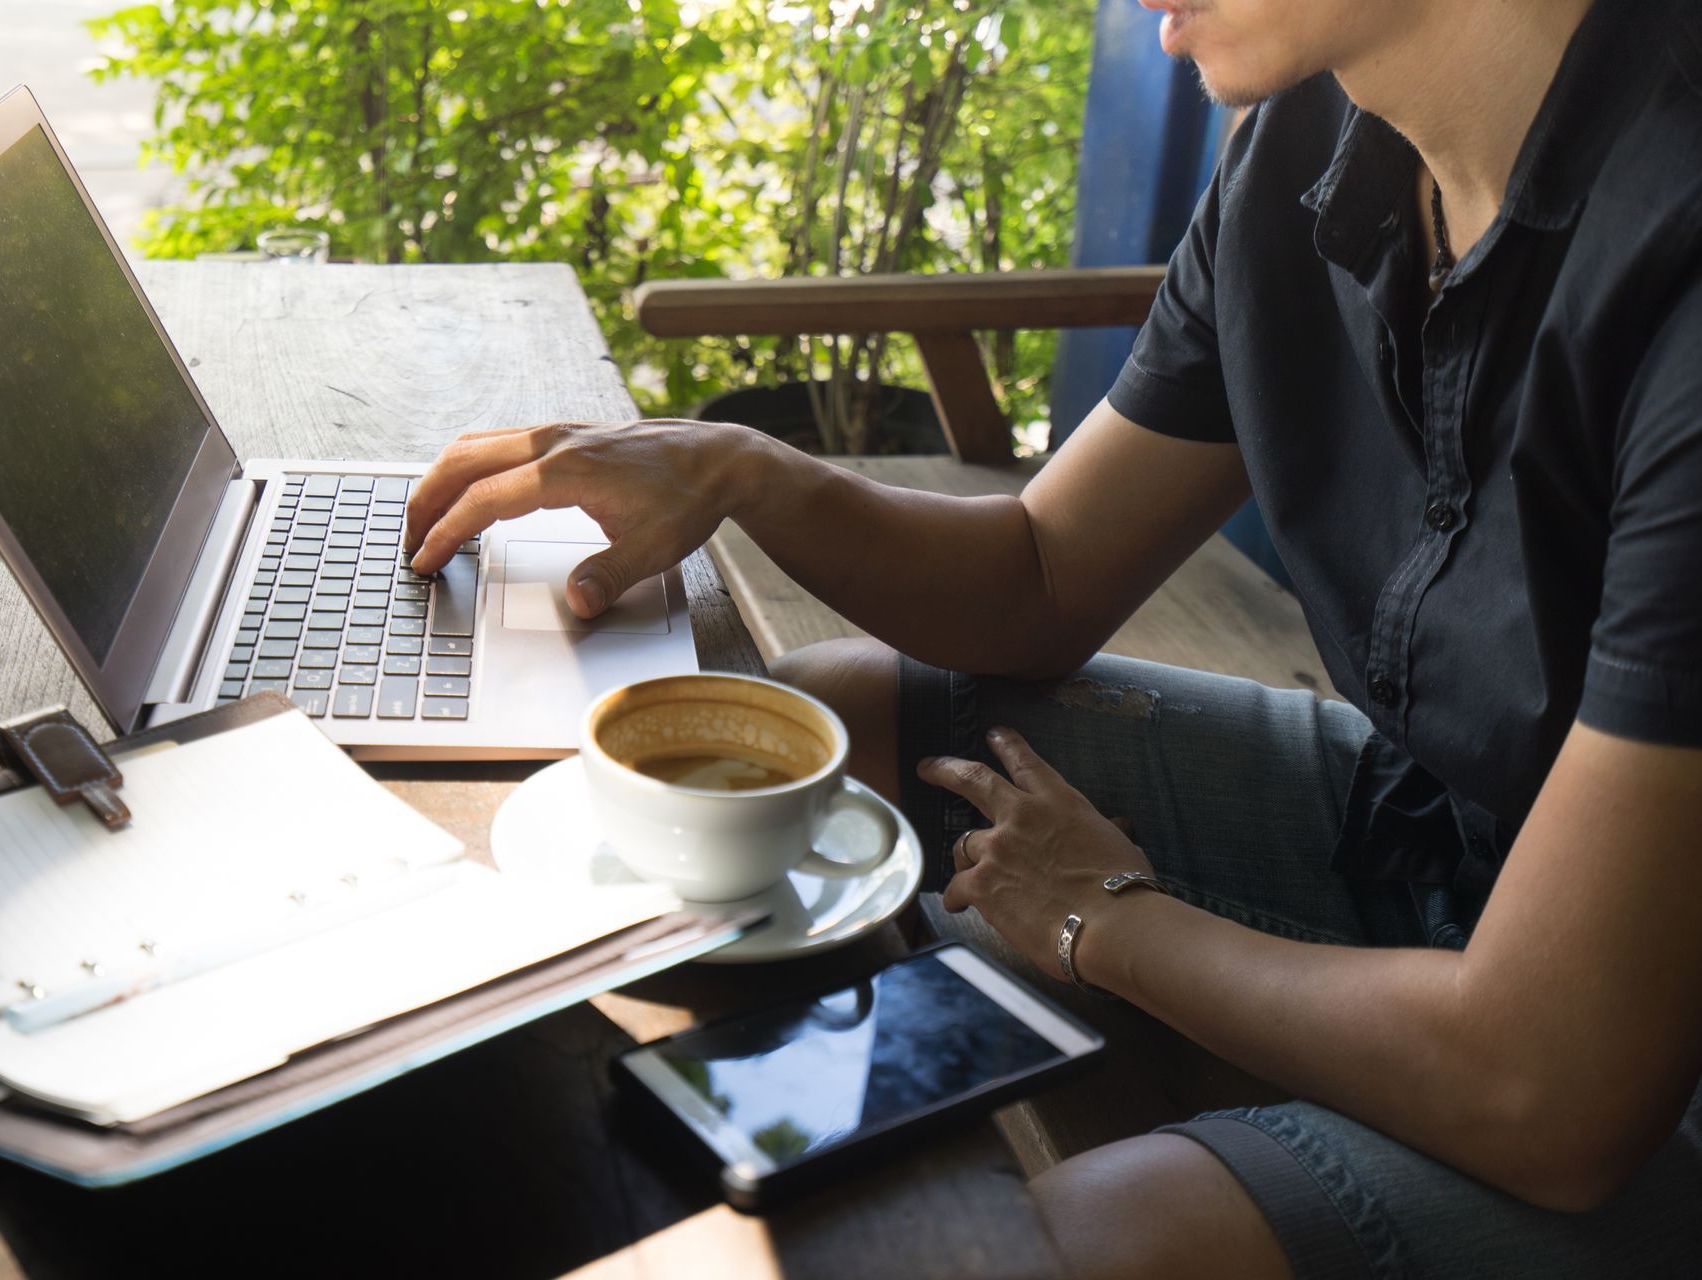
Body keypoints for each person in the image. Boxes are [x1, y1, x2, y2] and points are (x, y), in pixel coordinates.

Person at [402, 0, 1702, 1272]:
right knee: (835, 720)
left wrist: (1107, 921)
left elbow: (1556, 1086)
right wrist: (744, 471)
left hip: (1630, 1065)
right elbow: (1040, 575)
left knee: (1074, 1235)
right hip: (1441, 830)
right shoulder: (1309, 141)